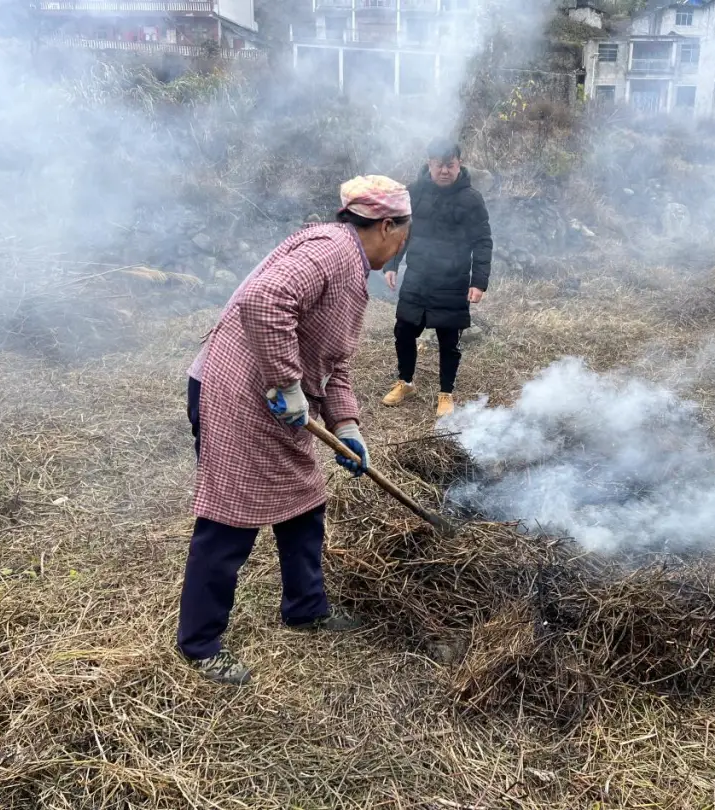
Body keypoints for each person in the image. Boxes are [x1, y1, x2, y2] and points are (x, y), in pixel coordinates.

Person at [177, 175, 412, 686]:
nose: (401, 247)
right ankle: (199, 643)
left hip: (278, 404)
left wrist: (347, 425)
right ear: (388, 225)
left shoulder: (348, 265)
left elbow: (334, 364)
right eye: (404, 235)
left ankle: (305, 607)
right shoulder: (331, 249)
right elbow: (263, 300)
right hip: (237, 394)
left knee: (306, 501)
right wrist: (286, 380)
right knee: (230, 518)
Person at [381, 139, 493, 418]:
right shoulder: (414, 192)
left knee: (448, 340)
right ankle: (405, 382)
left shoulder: (471, 199)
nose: (444, 171)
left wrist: (478, 281)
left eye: (450, 165)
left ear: (459, 164)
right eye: (438, 165)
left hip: (452, 279)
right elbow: (400, 231)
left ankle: (446, 393)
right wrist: (392, 263)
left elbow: (482, 241)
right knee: (404, 332)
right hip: (418, 276)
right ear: (429, 163)